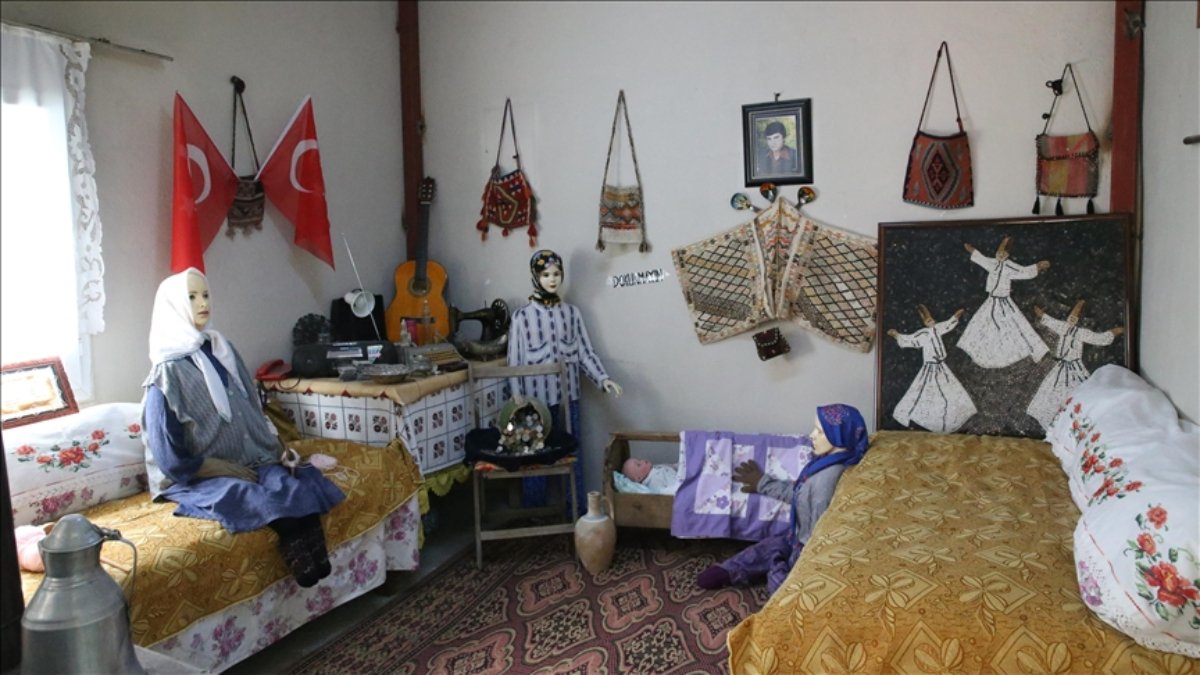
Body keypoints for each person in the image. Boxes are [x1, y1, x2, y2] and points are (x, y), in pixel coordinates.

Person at [141, 268, 345, 588]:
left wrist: (276, 446)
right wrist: (214, 467)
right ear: (172, 305)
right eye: (191, 297)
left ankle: (315, 555)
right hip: (195, 474)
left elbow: (251, 407)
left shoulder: (223, 349)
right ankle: (299, 552)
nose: (203, 303)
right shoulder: (166, 374)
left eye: (205, 294)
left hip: (250, 458)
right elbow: (168, 456)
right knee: (247, 494)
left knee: (291, 482)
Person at [696, 404, 869, 594]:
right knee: (767, 546)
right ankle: (730, 570)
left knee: (780, 582)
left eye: (820, 432)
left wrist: (798, 562)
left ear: (839, 437)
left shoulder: (826, 483)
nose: (811, 435)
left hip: (807, 548)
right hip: (796, 535)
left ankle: (775, 568)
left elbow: (819, 540)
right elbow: (800, 495)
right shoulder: (827, 462)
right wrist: (762, 483)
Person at [508, 250, 621, 511]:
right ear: (535, 277)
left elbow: (585, 352)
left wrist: (602, 378)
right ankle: (534, 510)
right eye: (546, 274)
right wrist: (518, 399)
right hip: (533, 404)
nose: (552, 279)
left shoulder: (572, 314)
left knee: (572, 453)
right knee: (533, 454)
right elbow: (515, 362)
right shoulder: (522, 318)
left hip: (569, 398)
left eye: (557, 273)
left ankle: (576, 508)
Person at [1025, 300, 1124, 430]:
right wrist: (1039, 313)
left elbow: (1101, 339)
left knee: (1078, 391)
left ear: (1079, 320)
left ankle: (1077, 420)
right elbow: (1048, 320)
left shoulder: (1081, 333)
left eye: (1075, 316)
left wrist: (1116, 331)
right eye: (1071, 315)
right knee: (1051, 392)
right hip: (1061, 368)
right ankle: (1052, 420)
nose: (1072, 318)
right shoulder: (1063, 327)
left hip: (1074, 368)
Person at [957, 237, 1051, 369]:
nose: (1001, 255)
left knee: (1016, 324)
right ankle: (983, 350)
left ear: (1008, 255)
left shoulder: (1010, 266)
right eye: (999, 252)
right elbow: (980, 258)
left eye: (1004, 253)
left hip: (1004, 301)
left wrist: (1038, 266)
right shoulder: (992, 263)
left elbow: (1024, 271)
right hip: (991, 300)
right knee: (981, 323)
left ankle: (1024, 349)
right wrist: (970, 249)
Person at [889, 304, 978, 433]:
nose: (931, 323)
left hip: (940, 366)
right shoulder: (923, 334)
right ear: (924, 322)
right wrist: (897, 335)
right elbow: (910, 340)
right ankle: (919, 413)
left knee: (950, 388)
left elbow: (948, 325)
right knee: (922, 390)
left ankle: (953, 413)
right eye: (928, 321)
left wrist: (956, 316)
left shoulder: (937, 329)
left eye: (931, 320)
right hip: (930, 367)